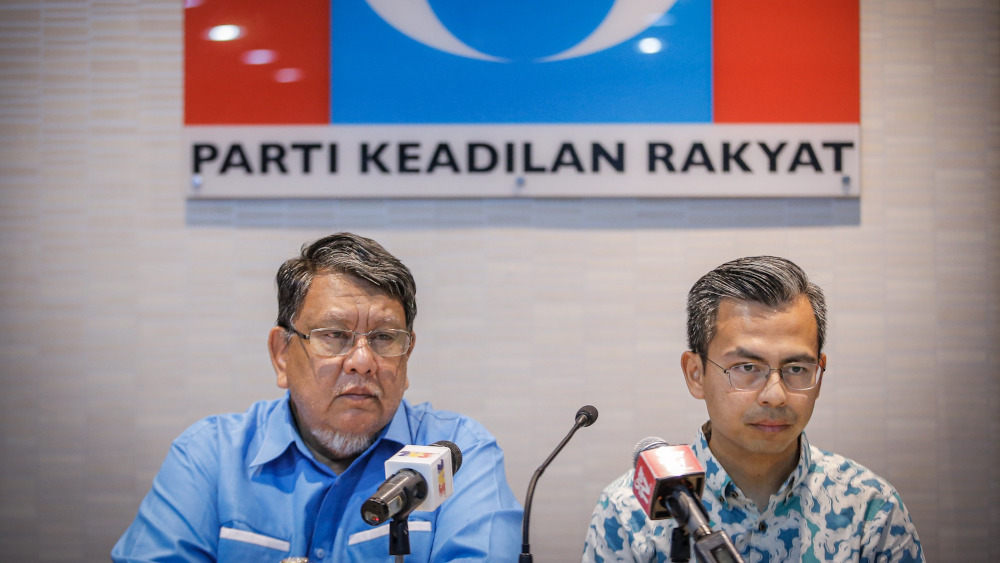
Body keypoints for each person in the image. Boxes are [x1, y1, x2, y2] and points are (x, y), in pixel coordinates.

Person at [113, 232, 522, 562]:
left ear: (407, 354)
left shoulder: (457, 453)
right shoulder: (210, 456)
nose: (363, 361)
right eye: (334, 335)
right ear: (281, 355)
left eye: (383, 338)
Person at [582, 256, 923, 562]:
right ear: (696, 374)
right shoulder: (628, 511)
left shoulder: (869, 508)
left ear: (819, 374)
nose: (775, 396)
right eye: (747, 368)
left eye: (796, 369)